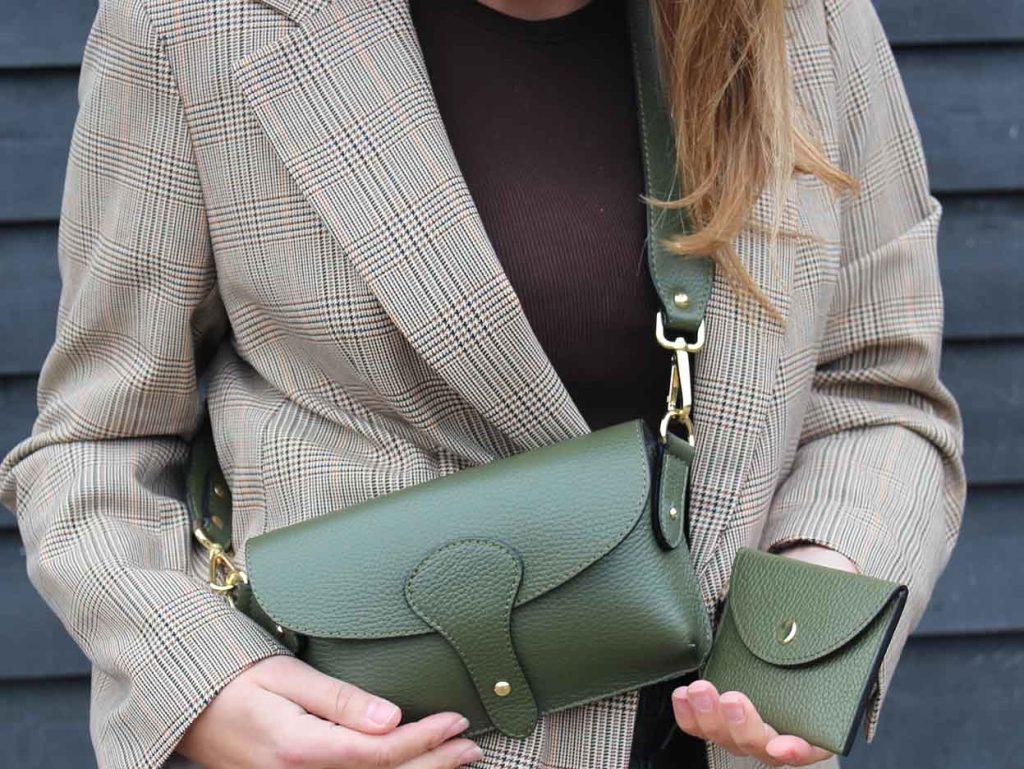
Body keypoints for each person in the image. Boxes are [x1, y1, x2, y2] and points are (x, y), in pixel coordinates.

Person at [0, 0, 966, 768]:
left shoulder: (806, 22)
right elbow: (98, 447)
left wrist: (806, 628)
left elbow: (875, 390)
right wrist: (207, 690)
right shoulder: (193, 22)